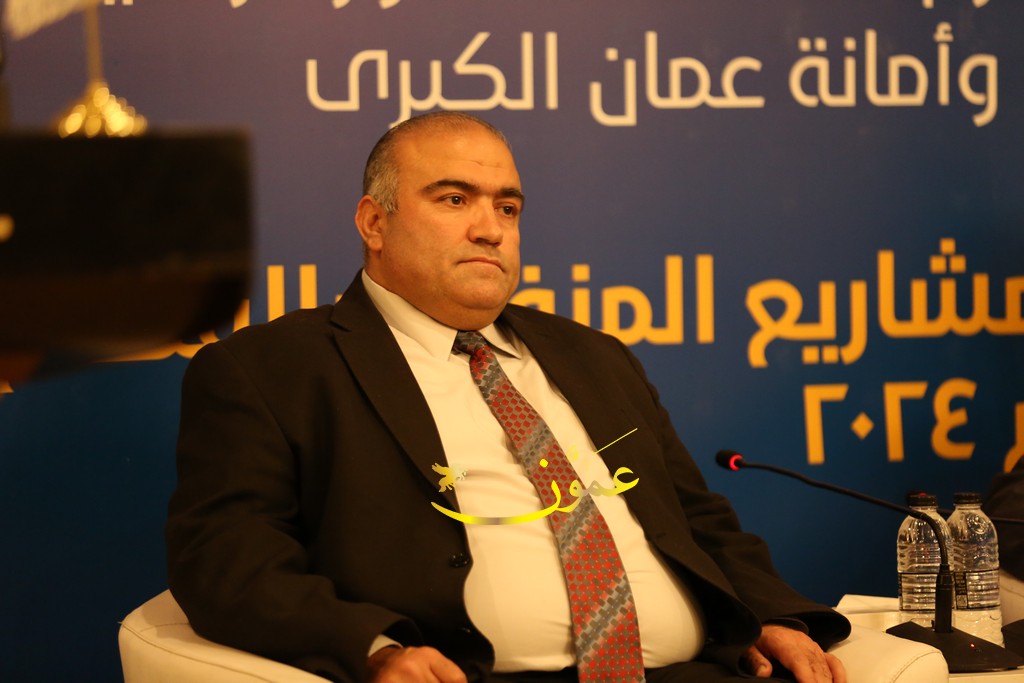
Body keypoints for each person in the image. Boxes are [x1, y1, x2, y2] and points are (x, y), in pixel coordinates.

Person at [166, 111, 850, 683]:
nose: (490, 229)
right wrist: (375, 650)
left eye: (507, 207)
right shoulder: (270, 369)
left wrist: (770, 617)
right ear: (374, 223)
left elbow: (695, 518)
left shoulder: (594, 356)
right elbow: (228, 563)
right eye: (454, 200)